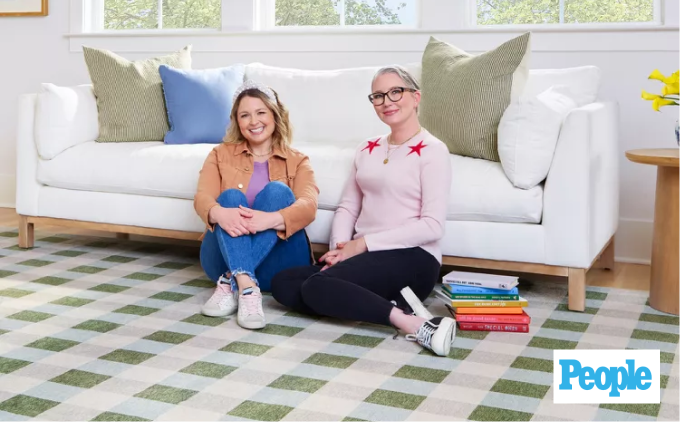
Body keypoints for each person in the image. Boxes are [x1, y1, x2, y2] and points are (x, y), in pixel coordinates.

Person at [271, 66, 456, 357]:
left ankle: (413, 324)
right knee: (283, 282)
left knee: (317, 285)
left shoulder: (433, 150)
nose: (387, 101)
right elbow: (348, 207)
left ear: (416, 97)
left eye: (396, 92)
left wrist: (362, 244)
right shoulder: (367, 149)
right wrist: (339, 249)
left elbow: (432, 226)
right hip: (365, 256)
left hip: (413, 256)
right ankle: (385, 303)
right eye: (378, 96)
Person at [194, 80, 318, 330]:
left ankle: (232, 281)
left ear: (275, 115)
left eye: (261, 112)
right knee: (229, 198)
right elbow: (202, 197)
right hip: (221, 257)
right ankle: (248, 288)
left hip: (280, 264)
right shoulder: (220, 154)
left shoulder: (298, 160)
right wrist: (220, 214)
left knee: (278, 192)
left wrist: (270, 219)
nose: (254, 121)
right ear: (237, 121)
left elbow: (309, 205)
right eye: (245, 115)